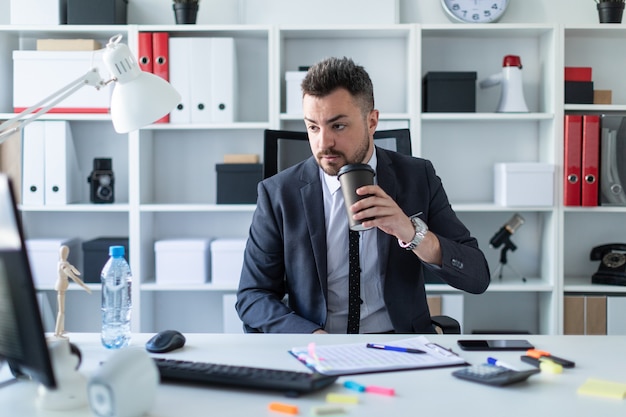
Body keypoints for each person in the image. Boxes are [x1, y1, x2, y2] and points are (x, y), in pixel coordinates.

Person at [236, 56, 490, 334]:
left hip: (399, 344)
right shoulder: (278, 194)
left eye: (338, 126)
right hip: (318, 345)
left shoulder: (418, 177)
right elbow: (253, 296)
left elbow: (477, 276)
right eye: (313, 127)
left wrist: (412, 233)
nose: (323, 143)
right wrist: (311, 337)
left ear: (372, 121)